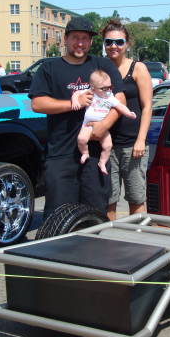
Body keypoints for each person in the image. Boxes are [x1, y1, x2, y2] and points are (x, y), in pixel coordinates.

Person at [29, 16, 126, 218]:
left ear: (91, 41)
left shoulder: (103, 65)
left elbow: (120, 99)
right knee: (58, 217)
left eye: (85, 38)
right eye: (75, 38)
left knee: (94, 215)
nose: (80, 43)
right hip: (61, 155)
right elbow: (38, 104)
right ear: (65, 39)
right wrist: (74, 103)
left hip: (95, 155)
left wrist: (104, 125)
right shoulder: (49, 68)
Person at [102, 19, 153, 220]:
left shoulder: (138, 68)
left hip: (133, 146)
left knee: (136, 198)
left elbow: (147, 107)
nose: (113, 46)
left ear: (127, 44)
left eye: (119, 42)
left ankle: (137, 237)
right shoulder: (100, 69)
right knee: (108, 199)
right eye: (109, 42)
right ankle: (108, 238)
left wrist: (141, 140)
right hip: (106, 145)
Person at [71, 69, 136, 173]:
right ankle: (85, 153)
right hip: (88, 125)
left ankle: (102, 162)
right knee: (81, 139)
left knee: (108, 145)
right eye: (104, 88)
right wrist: (75, 101)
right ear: (93, 88)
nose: (108, 90)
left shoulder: (110, 97)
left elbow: (120, 106)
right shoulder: (90, 92)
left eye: (110, 87)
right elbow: (76, 93)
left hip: (103, 127)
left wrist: (128, 113)